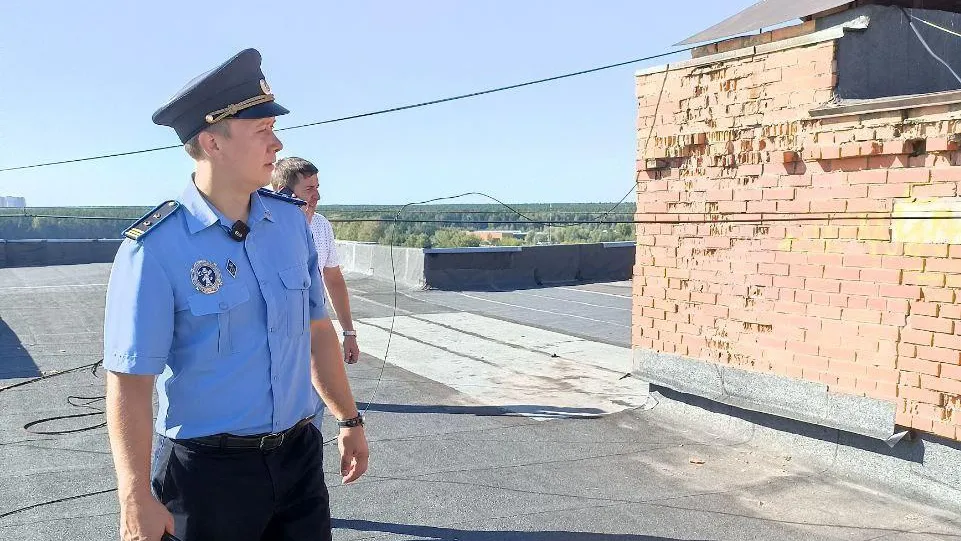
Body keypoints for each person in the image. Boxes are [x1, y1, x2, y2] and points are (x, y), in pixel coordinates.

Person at [101, 48, 369, 541]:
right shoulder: (156, 248)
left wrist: (348, 417)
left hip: (297, 460)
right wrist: (134, 492)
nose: (278, 142)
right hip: (208, 477)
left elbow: (316, 331)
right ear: (213, 142)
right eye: (262, 131)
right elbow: (129, 381)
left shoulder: (289, 223)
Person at [270, 157, 360, 365]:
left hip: (315, 325)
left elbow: (333, 278)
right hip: (280, 333)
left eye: (317, 187)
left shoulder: (321, 225)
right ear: (284, 193)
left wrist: (349, 333)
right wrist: (298, 228)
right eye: (309, 188)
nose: (317, 195)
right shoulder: (264, 228)